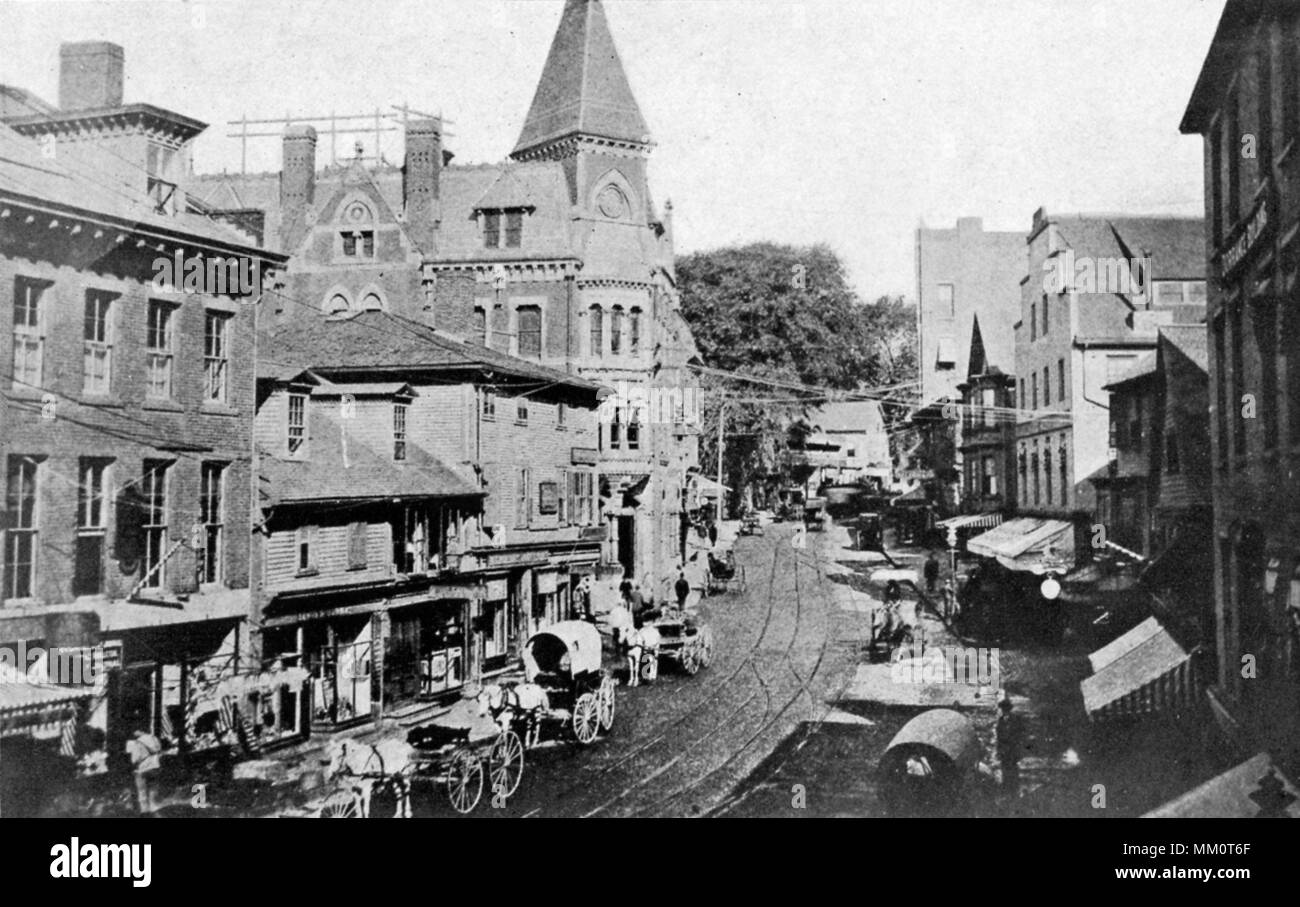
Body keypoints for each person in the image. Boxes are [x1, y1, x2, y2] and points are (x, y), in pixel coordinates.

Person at [125, 728, 163, 814]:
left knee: (142, 792)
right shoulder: (153, 737)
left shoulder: (137, 742)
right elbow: (159, 749)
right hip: (155, 764)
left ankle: (145, 812)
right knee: (153, 789)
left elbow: (135, 759)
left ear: (138, 731)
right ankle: (155, 809)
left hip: (143, 767)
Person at [995, 694, 1025, 798]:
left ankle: (1014, 789)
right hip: (1004, 750)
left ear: (1009, 709)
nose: (1004, 711)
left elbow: (1020, 736)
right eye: (1003, 709)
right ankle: (1006, 788)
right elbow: (999, 737)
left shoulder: (1016, 720)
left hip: (1013, 749)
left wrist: (1019, 750)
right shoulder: (1001, 721)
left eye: (1005, 709)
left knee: (1013, 768)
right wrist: (998, 750)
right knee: (1005, 768)